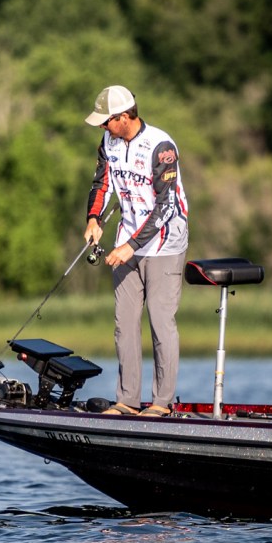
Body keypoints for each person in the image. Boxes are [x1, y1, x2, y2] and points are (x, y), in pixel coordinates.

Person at [82, 85, 188, 417]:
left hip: (165, 243)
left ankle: (161, 403)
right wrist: (93, 219)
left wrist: (131, 246)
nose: (102, 127)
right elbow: (101, 183)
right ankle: (127, 400)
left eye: (106, 121)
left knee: (160, 321)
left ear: (124, 117)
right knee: (124, 324)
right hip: (126, 241)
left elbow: (166, 206)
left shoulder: (161, 147)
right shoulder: (108, 142)